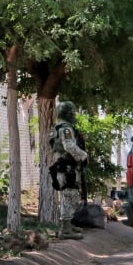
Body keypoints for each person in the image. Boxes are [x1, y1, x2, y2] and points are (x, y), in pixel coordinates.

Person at [49, 100, 88, 240]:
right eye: (72, 112)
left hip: (62, 166)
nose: (74, 115)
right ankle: (65, 229)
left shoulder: (57, 127)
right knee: (69, 196)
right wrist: (83, 156)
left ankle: (67, 224)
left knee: (71, 196)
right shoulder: (66, 128)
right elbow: (69, 146)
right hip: (67, 167)